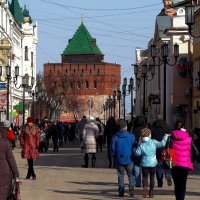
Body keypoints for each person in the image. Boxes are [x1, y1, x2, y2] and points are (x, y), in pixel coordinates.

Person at [135, 128, 169, 198]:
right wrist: (165, 136)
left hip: (144, 164)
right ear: (150, 134)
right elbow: (162, 144)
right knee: (152, 177)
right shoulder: (154, 142)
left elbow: (137, 154)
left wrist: (138, 145)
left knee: (145, 177)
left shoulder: (141, 144)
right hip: (153, 163)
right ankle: (151, 192)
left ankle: (145, 188)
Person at [110, 120, 135, 197]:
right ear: (126, 127)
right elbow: (134, 147)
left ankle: (121, 190)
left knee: (120, 175)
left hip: (119, 159)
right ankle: (131, 187)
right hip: (130, 159)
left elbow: (112, 148)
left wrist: (114, 155)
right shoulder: (131, 136)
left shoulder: (115, 137)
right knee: (131, 175)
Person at [171, 120, 193, 200]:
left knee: (176, 184)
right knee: (183, 185)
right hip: (185, 165)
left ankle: (178, 198)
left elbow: (166, 150)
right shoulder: (189, 138)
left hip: (174, 164)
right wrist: (190, 160)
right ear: (183, 127)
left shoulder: (171, 137)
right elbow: (196, 152)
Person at [150, 116, 173, 187]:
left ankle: (160, 182)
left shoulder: (152, 129)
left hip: (156, 150)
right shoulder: (168, 128)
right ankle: (168, 175)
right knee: (168, 164)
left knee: (159, 166)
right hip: (167, 150)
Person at [0, 132, 19, 200]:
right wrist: (16, 173)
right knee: (3, 193)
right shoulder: (5, 143)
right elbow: (11, 159)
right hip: (4, 172)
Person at [131, 115, 147, 187]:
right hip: (144, 149)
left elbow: (132, 141)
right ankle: (144, 181)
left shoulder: (134, 130)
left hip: (136, 149)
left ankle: (138, 182)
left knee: (137, 165)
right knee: (144, 166)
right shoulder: (146, 130)